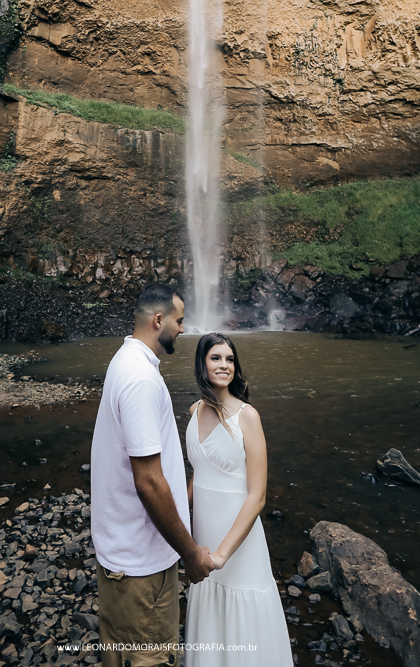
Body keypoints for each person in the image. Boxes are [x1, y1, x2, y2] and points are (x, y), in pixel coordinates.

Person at [91, 284, 214, 667]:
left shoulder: (124, 361)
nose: (182, 329)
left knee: (118, 652)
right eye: (178, 321)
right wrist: (190, 553)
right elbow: (148, 481)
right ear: (157, 320)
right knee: (149, 656)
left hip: (120, 554)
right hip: (141, 565)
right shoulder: (141, 380)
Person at [183, 333, 293, 667]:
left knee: (245, 618)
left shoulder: (247, 416)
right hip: (204, 537)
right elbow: (198, 475)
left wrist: (221, 555)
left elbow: (257, 497)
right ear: (202, 362)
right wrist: (172, 519)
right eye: (216, 358)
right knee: (211, 612)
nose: (224, 365)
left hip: (237, 544)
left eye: (230, 359)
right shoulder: (194, 409)